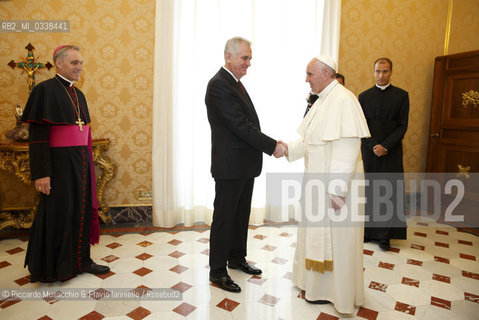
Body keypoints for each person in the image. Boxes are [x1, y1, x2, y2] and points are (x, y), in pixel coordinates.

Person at [280, 55, 369, 314]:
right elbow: (310, 140)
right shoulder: (323, 100)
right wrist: (286, 149)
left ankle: (335, 293)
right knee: (314, 233)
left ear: (325, 74)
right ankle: (315, 285)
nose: (306, 79)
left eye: (309, 74)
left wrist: (337, 190)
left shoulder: (344, 99)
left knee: (338, 241)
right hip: (317, 186)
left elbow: (348, 149)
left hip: (335, 190)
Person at [21, 45, 110, 282]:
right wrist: (42, 174)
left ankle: (82, 261)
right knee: (59, 214)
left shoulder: (78, 94)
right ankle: (57, 267)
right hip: (57, 166)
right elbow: (38, 137)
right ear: (59, 63)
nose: (79, 67)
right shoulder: (44, 91)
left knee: (79, 211)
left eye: (81, 63)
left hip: (79, 163)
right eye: (74, 63)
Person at [205, 37, 285, 293]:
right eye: (245, 58)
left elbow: (247, 125)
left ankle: (237, 258)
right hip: (230, 166)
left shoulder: (234, 83)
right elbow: (241, 127)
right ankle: (218, 271)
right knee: (224, 219)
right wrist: (273, 145)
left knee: (240, 217)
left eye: (249, 58)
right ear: (229, 56)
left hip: (244, 165)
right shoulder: (219, 85)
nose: (249, 63)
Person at [359, 57, 409, 250]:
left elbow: (402, 126)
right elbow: (361, 126)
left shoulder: (402, 96)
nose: (381, 75)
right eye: (378, 71)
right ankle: (368, 231)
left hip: (392, 151)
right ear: (373, 72)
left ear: (391, 72)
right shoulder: (363, 97)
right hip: (369, 150)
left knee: (388, 192)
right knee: (369, 191)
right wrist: (373, 146)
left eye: (385, 71)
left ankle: (385, 236)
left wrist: (385, 146)